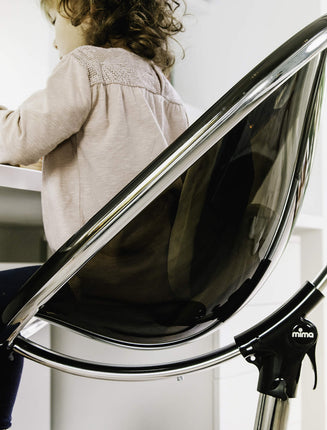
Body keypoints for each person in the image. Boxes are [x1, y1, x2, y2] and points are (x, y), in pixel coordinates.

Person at [0, 0, 188, 428]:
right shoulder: (164, 89)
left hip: (94, 273)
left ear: (84, 10)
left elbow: (17, 141)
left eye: (55, 21)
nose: (52, 39)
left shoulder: (84, 65)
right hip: (154, 276)